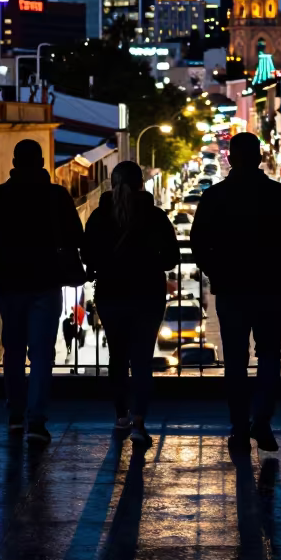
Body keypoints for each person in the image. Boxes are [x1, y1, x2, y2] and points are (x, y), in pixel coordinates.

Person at [190, 131, 281, 455]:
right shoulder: (278, 195)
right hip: (269, 287)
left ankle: (239, 428)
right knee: (270, 356)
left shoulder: (215, 197)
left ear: (229, 158)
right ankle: (262, 422)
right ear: (258, 157)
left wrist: (215, 270)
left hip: (230, 291)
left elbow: (197, 242)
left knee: (236, 363)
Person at [0, 138, 83, 444]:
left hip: (10, 281)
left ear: (14, 161)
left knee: (12, 351)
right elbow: (76, 234)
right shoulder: (56, 196)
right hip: (47, 282)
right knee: (41, 354)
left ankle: (14, 414)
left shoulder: (0, 195)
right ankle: (36, 419)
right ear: (41, 163)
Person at [82, 160, 179, 446]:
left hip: (111, 294)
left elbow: (88, 255)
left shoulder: (99, 217)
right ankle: (139, 422)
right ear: (142, 184)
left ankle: (120, 416)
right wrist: (149, 262)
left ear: (112, 184)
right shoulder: (155, 217)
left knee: (117, 357)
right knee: (141, 360)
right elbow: (171, 258)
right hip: (147, 294)